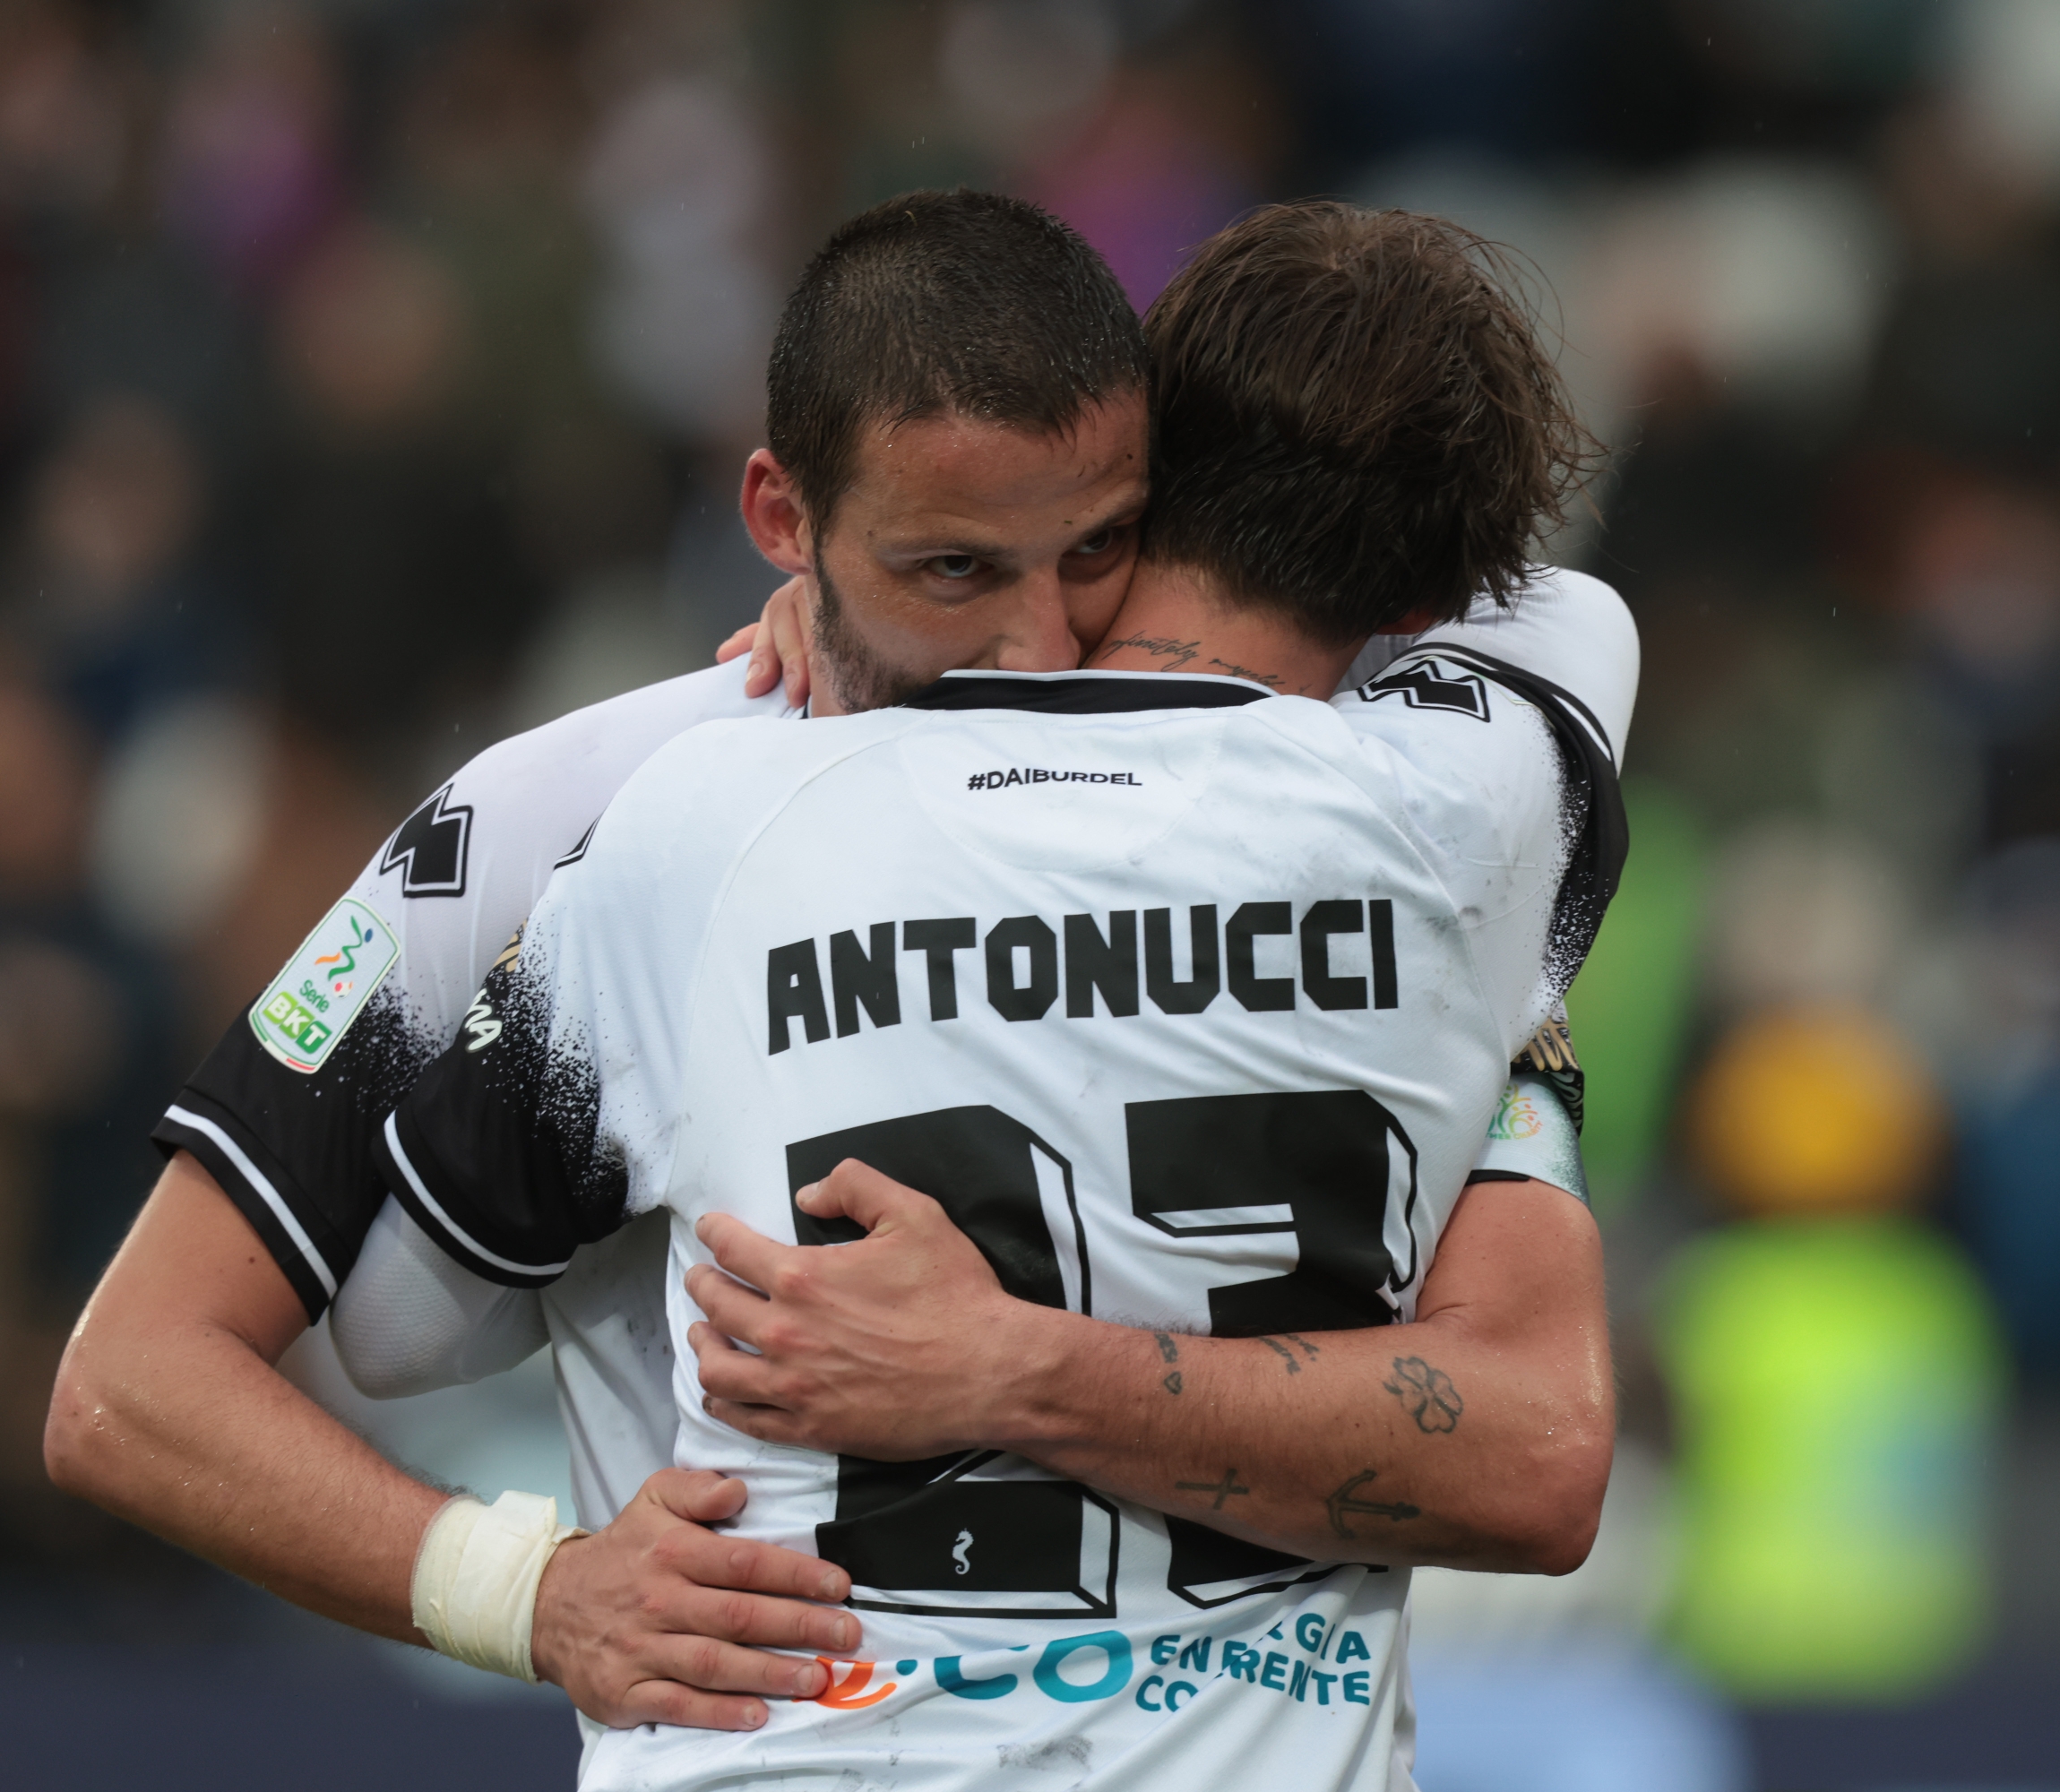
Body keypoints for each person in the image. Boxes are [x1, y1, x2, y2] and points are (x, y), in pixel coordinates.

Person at [44, 191, 1596, 1733]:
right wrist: (529, 1589)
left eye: (1099, 549)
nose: (1044, 648)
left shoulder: (1369, 818)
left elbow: (403, 1322)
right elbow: (133, 1384)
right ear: (784, 524)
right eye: (953, 571)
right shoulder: (585, 800)